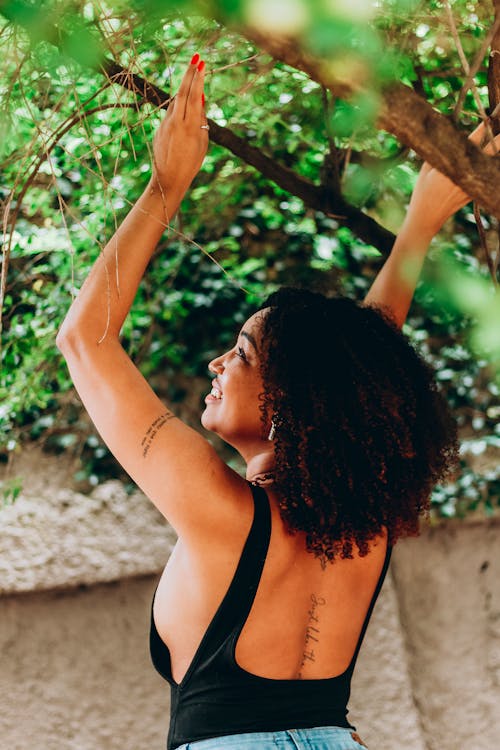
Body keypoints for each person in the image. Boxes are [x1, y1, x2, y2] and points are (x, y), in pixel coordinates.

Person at [56, 54, 496, 750]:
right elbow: (363, 368)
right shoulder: (363, 523)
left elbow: (85, 340)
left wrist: (165, 188)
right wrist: (419, 224)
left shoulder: (223, 512)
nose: (217, 363)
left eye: (242, 351)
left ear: (292, 398)